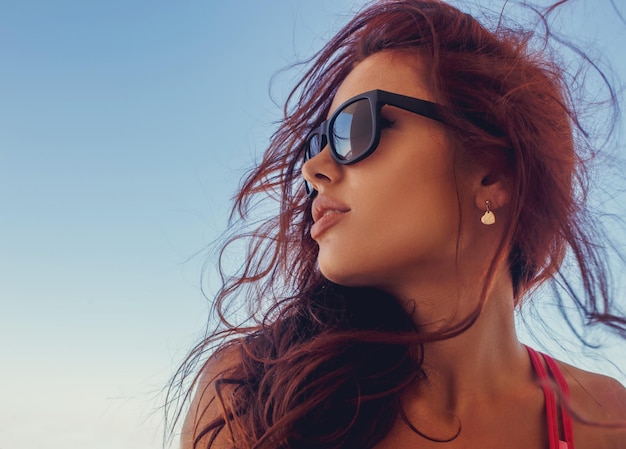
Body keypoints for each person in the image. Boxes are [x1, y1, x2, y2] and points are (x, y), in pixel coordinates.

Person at [172, 0, 626, 448]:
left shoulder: (609, 419)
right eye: (317, 144)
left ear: (491, 172)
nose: (315, 170)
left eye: (356, 128)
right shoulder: (255, 393)